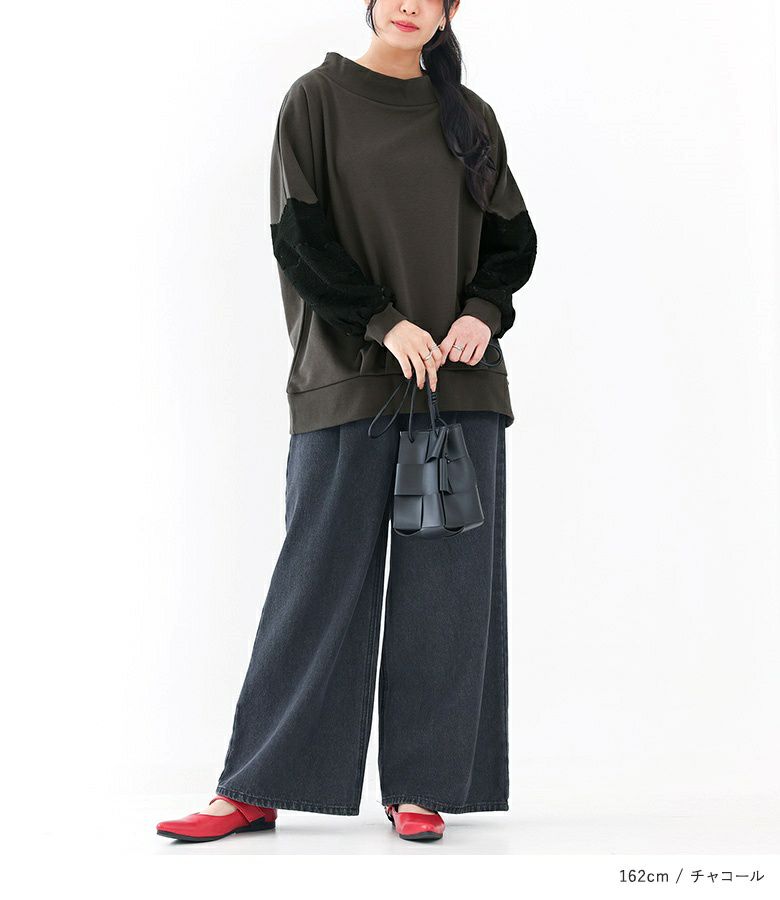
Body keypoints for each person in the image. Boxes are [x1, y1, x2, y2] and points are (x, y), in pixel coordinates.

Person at [156, 0, 536, 844]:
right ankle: (256, 786)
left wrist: (481, 313)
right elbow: (299, 237)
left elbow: (513, 240)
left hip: (457, 389)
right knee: (318, 578)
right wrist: (383, 323)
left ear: (449, 11)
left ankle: (423, 785)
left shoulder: (471, 118)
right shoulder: (316, 101)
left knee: (447, 589)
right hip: (349, 381)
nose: (409, 5)